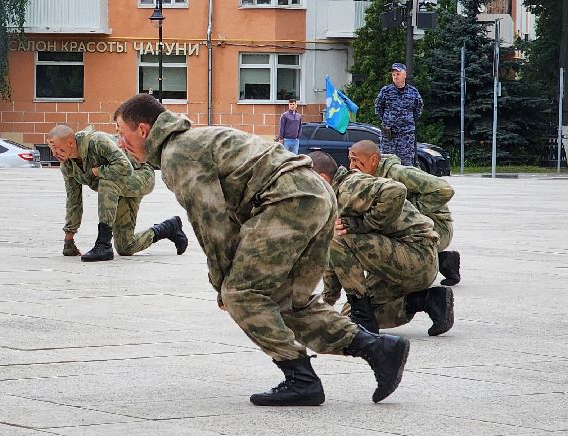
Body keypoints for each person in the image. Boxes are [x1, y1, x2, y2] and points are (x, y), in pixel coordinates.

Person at [112, 93, 409, 407]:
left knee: (241, 292)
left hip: (290, 200)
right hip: (315, 195)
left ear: (143, 130)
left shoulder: (178, 153)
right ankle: (379, 350)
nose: (120, 141)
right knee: (289, 302)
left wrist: (224, 285)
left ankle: (301, 378)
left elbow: (210, 221)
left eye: (122, 132)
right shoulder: (191, 141)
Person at [308, 150, 453, 338]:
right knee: (347, 316)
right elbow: (333, 260)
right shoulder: (333, 198)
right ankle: (427, 300)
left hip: (418, 256)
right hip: (400, 260)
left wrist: (365, 224)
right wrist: (326, 305)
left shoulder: (350, 186)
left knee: (338, 237)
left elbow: (397, 190)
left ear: (322, 178)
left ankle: (364, 319)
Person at [46, 123, 187, 262]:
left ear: (70, 142)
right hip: (116, 189)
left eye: (56, 148)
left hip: (139, 175)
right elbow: (73, 201)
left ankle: (103, 243)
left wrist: (97, 171)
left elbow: (125, 167)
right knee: (125, 247)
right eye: (51, 149)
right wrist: (69, 239)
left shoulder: (97, 141)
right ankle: (169, 227)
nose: (54, 153)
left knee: (106, 180)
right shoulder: (68, 166)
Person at [348, 137, 461, 287]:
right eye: (350, 160)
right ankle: (444, 260)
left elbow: (445, 190)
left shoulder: (399, 173)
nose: (351, 166)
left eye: (356, 160)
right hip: (417, 229)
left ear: (373, 159)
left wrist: (411, 209)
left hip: (438, 228)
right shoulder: (367, 178)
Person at [375, 62, 423, 166]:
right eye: (393, 74)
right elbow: (378, 108)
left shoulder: (413, 92)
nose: (395, 76)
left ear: (405, 75)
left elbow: (418, 110)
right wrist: (388, 120)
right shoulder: (386, 91)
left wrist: (407, 121)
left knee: (406, 166)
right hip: (389, 136)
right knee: (387, 165)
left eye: (398, 74)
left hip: (406, 137)